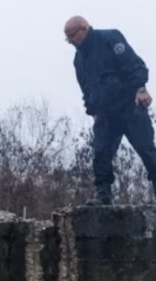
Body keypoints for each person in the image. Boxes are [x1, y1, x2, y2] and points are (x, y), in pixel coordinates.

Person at [65, 16, 156, 204]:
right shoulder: (79, 59)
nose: (71, 41)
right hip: (105, 114)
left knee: (146, 150)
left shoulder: (110, 38)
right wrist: (92, 108)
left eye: (72, 36)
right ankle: (103, 194)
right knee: (101, 153)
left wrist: (140, 88)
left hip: (130, 107)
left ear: (84, 28)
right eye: (67, 38)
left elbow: (134, 64)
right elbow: (86, 87)